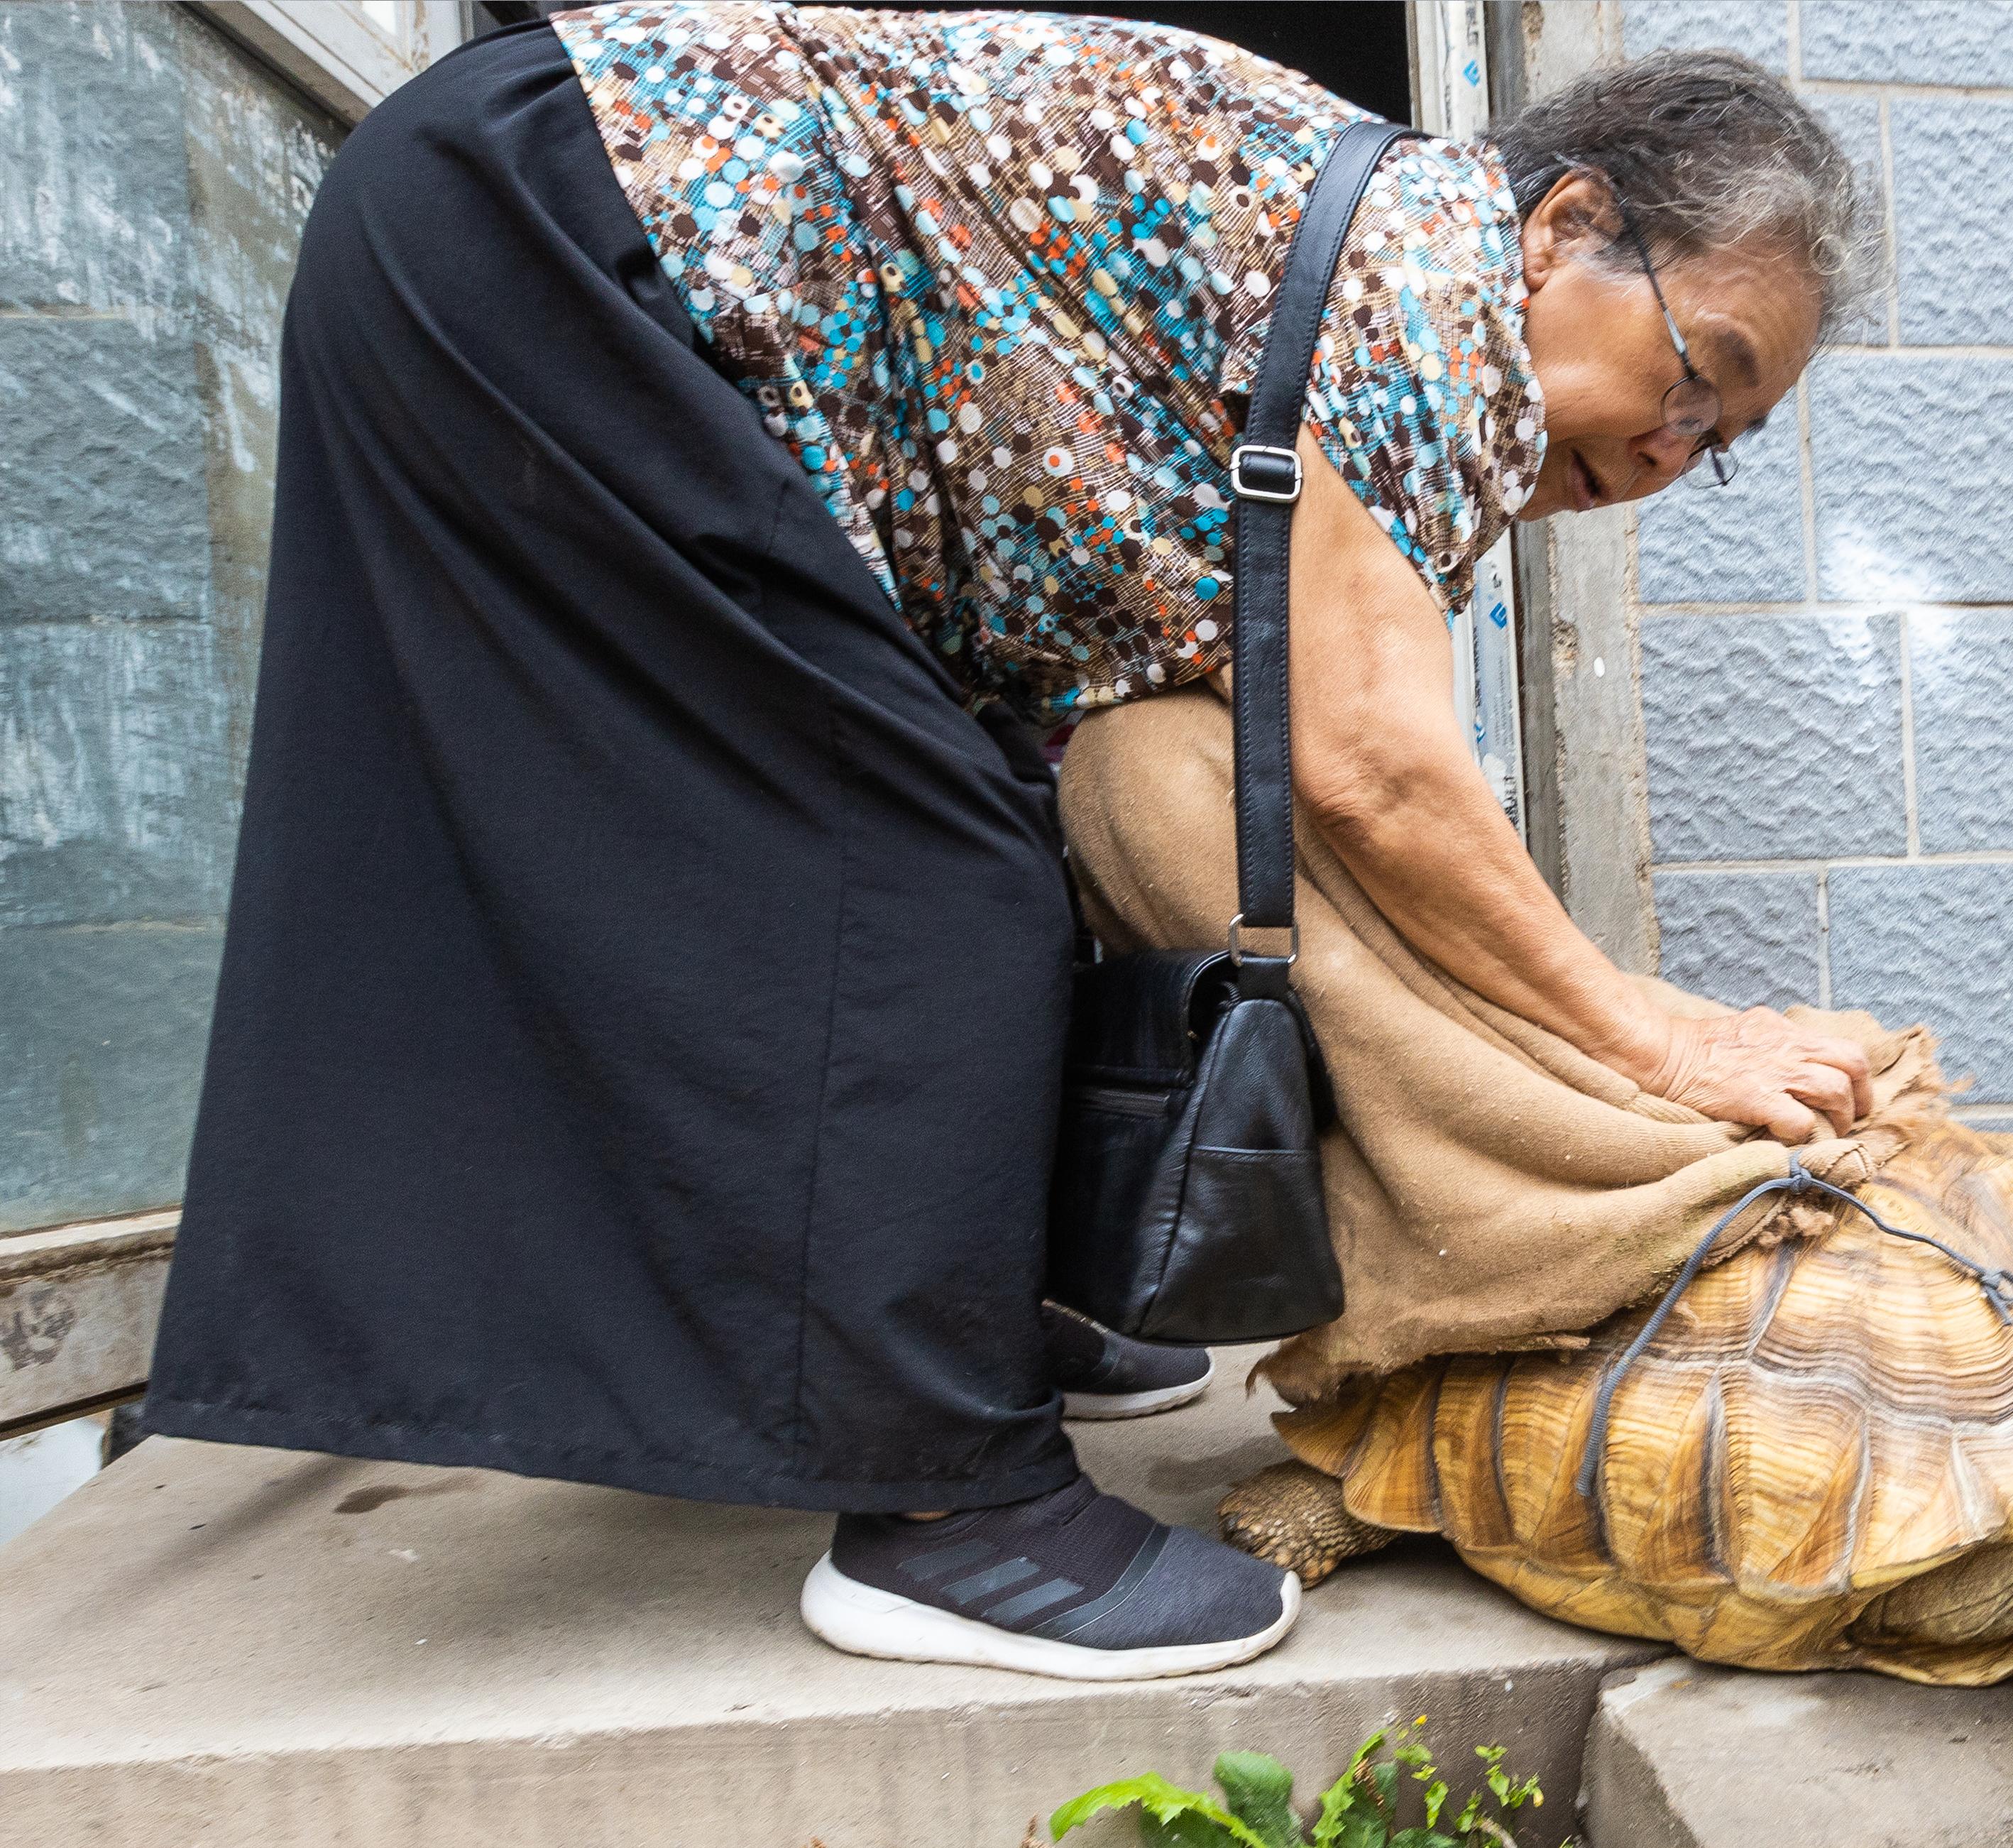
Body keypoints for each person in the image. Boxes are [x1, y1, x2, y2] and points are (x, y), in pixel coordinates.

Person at [140, 5, 1870, 1681]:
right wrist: (1663, 1038)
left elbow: (1217, 732)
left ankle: (961, 1316)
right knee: (922, 883)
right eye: (1695, 371)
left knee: (971, 833)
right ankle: (948, 1512)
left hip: (531, 215)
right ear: (1563, 226)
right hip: (566, 230)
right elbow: (1371, 770)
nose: (1667, 446)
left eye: (1720, 442)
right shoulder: (1431, 271)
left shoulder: (1378, 294)